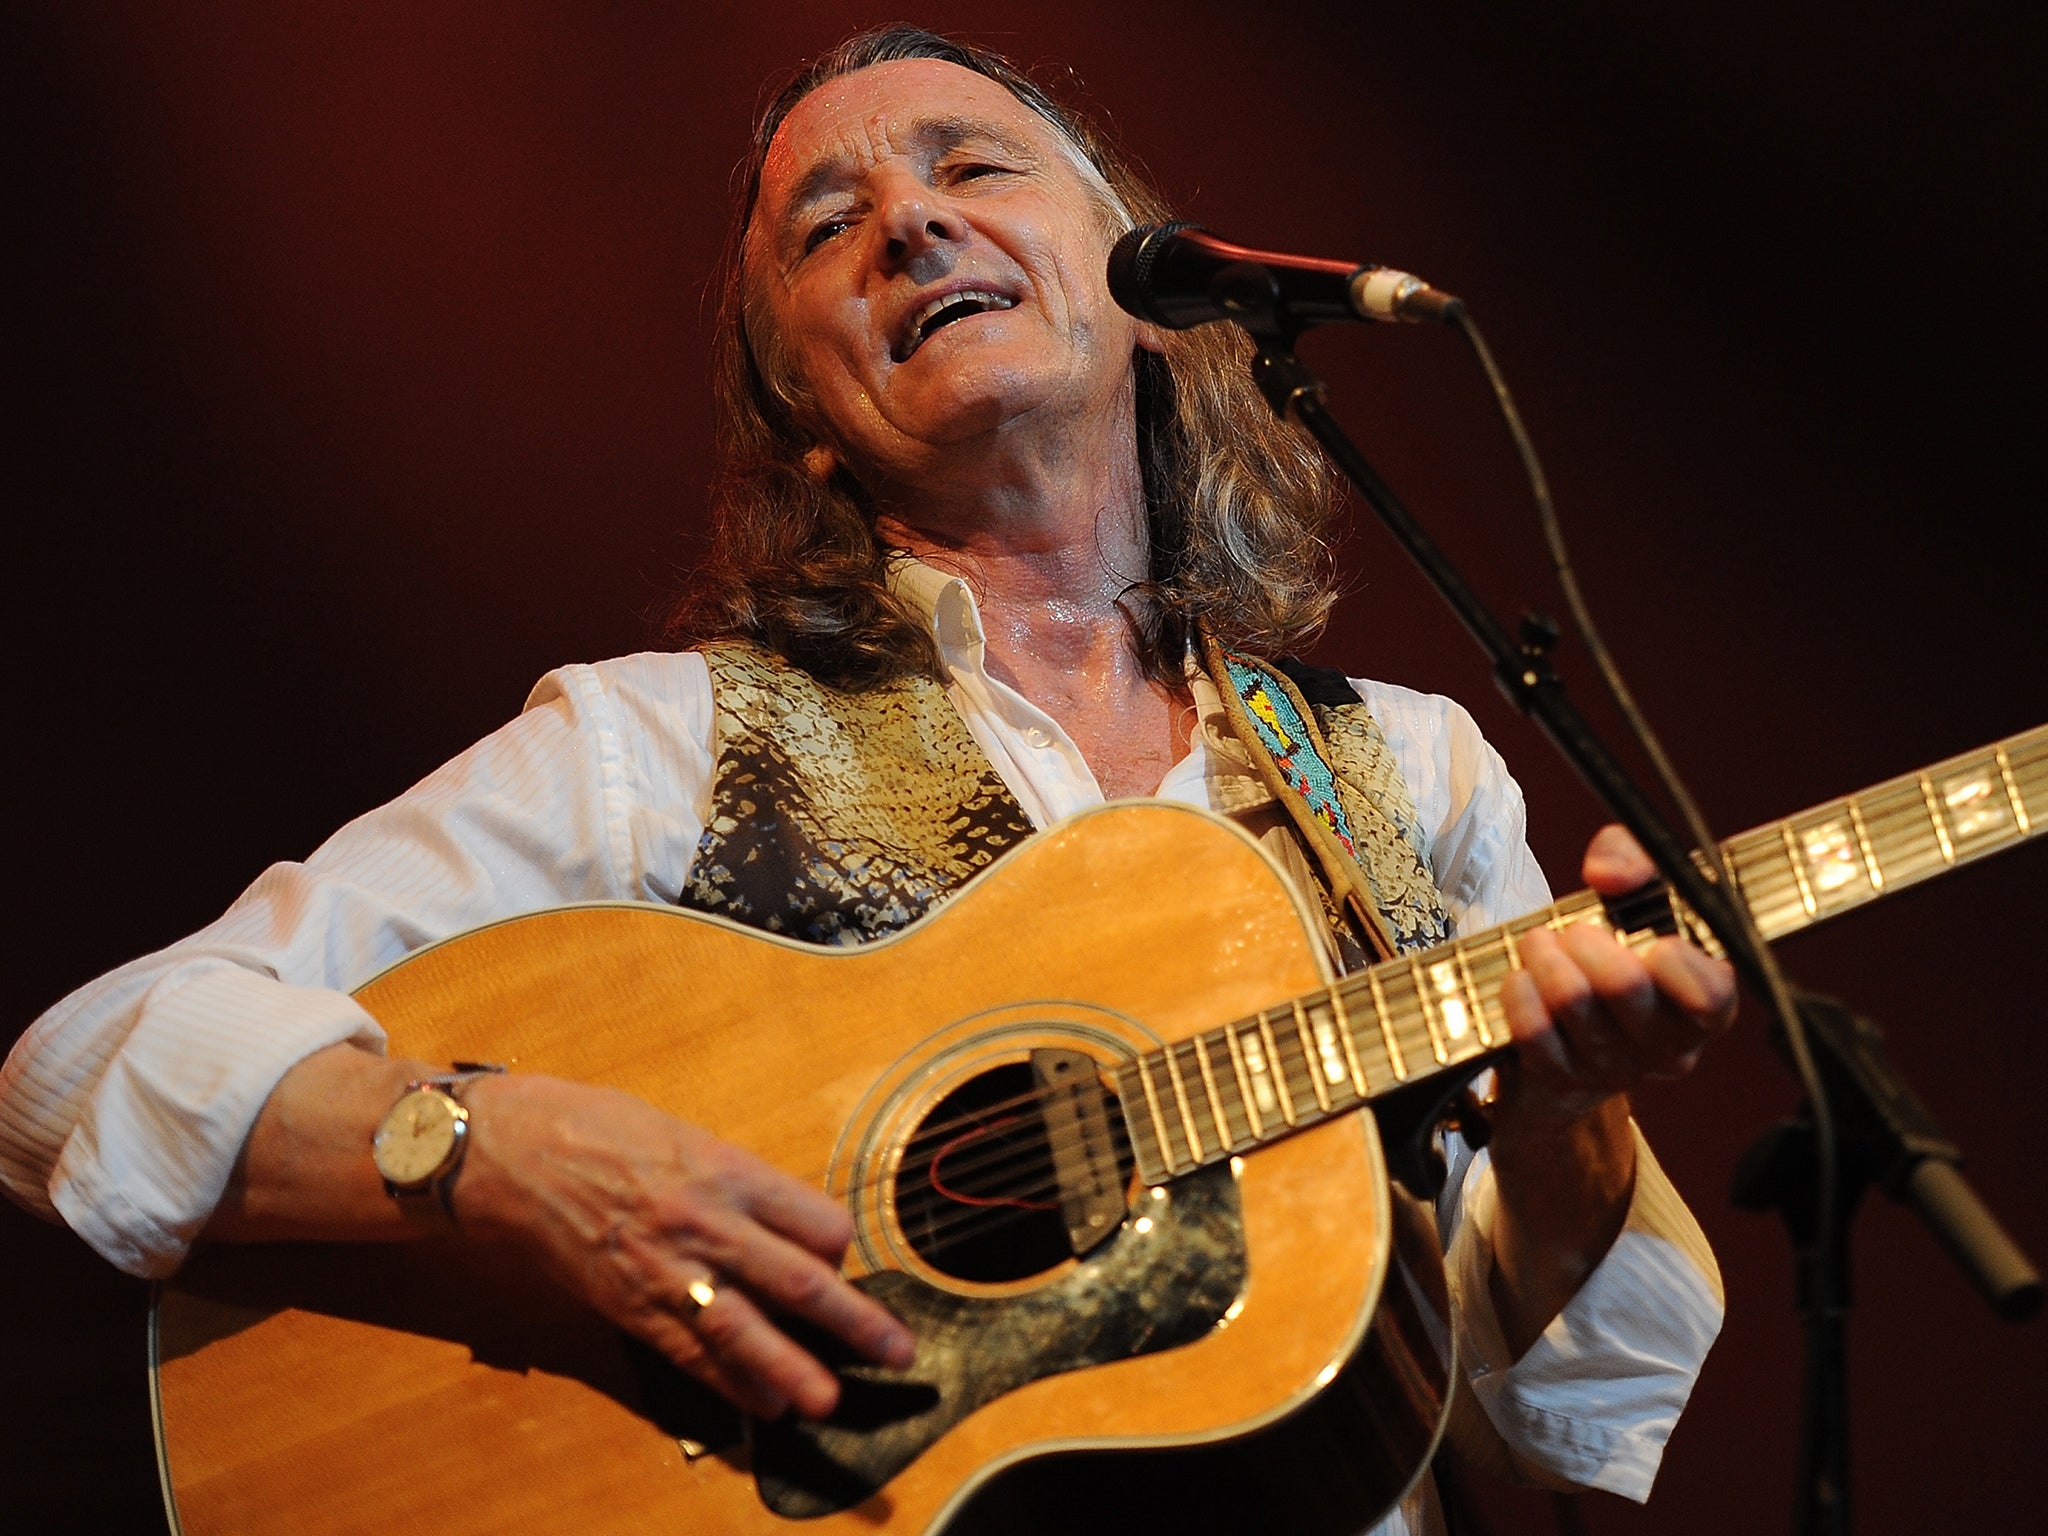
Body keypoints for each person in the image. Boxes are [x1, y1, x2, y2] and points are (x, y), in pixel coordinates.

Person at [0, 25, 1733, 1535]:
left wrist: (1575, 1110)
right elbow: (83, 1063)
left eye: (974, 164)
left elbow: (1550, 1411)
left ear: (1146, 294)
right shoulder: (658, 745)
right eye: (830, 227)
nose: (910, 218)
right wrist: (500, 1155)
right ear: (804, 409)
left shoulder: (1406, 767)